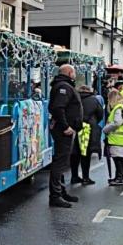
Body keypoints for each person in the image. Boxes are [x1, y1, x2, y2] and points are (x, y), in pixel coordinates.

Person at [48, 65, 82, 208]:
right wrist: (66, 126)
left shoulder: (64, 85)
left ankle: (61, 191)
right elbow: (58, 108)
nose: (75, 74)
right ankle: (55, 195)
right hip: (64, 131)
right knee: (60, 162)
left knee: (62, 162)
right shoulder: (64, 86)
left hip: (65, 129)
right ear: (69, 72)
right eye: (74, 72)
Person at [70, 85, 103, 185]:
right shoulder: (94, 100)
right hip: (87, 129)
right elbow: (100, 114)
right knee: (86, 153)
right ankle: (85, 177)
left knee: (74, 154)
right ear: (89, 91)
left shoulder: (73, 99)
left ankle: (74, 176)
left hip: (74, 128)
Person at [102, 89, 123, 186]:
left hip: (118, 139)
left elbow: (117, 122)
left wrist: (106, 129)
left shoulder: (118, 108)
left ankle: (119, 178)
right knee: (121, 159)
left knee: (117, 159)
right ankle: (119, 176)